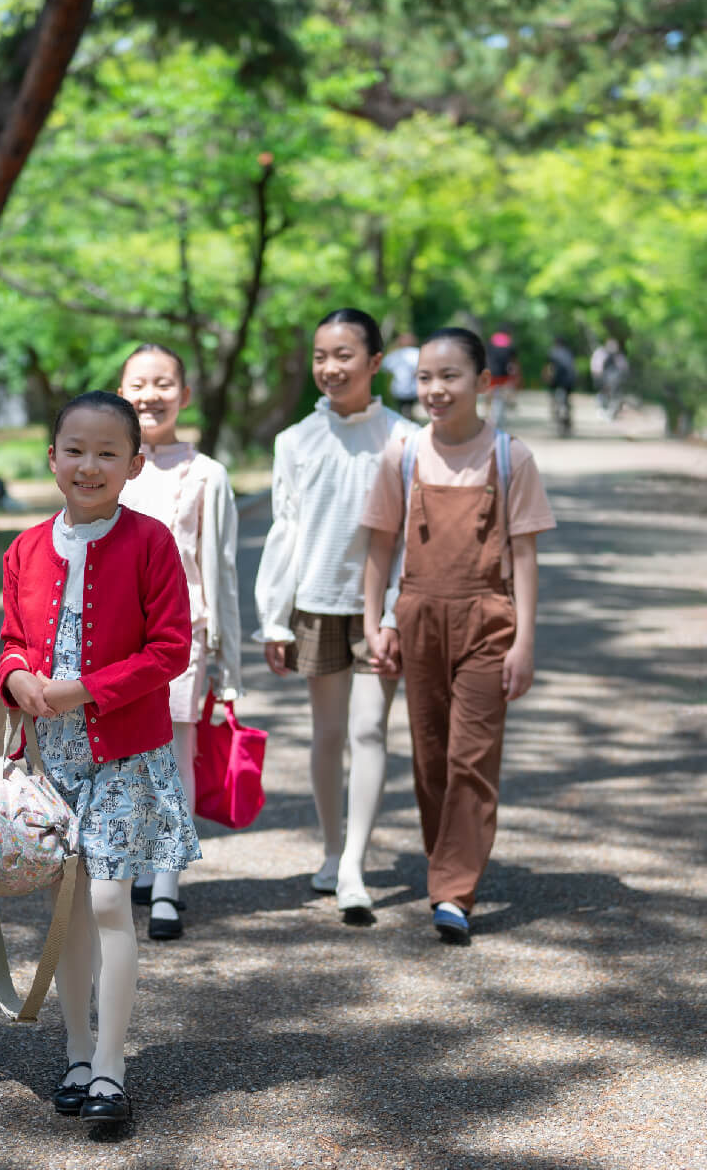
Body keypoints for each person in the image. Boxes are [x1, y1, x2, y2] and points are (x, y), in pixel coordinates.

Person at [0, 391, 198, 1124]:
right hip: (51, 758)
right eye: (74, 450)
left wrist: (86, 689)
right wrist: (17, 674)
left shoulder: (150, 542)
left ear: (135, 465)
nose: (89, 465)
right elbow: (13, 639)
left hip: (126, 754)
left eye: (108, 452)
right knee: (69, 910)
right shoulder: (25, 546)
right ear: (51, 458)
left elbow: (171, 648)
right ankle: (77, 1053)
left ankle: (112, 1069)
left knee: (113, 899)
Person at [360, 327, 554, 945]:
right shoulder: (405, 454)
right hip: (417, 618)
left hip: (487, 620)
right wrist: (375, 622)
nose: (436, 390)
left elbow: (524, 556)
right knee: (430, 755)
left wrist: (524, 640)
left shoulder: (509, 457)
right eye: (424, 378)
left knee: (473, 756)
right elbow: (379, 544)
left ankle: (451, 890)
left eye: (450, 377)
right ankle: (447, 863)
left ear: (483, 383)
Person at [256, 308, 416, 924]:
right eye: (322, 356)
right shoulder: (295, 440)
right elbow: (285, 531)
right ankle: (329, 849)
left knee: (369, 731)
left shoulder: (405, 438)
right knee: (327, 734)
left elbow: (407, 540)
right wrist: (274, 618)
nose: (331, 368)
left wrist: (396, 612)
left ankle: (355, 863)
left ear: (375, 362)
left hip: (379, 611)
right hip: (316, 602)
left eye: (345, 355)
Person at [114, 344, 243, 942]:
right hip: (113, 638)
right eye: (138, 384)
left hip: (180, 636)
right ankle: (137, 862)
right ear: (120, 392)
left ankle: (167, 881)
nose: (150, 395)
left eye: (163, 383)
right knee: (124, 755)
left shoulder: (207, 474)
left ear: (184, 395)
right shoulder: (108, 464)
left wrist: (227, 658)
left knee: (176, 756)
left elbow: (221, 569)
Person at [484, 326, 521, 428]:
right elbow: (514, 362)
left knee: (489, 394)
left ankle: (487, 415)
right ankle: (510, 403)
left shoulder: (490, 342)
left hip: (490, 373)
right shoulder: (510, 343)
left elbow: (485, 357)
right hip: (504, 374)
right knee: (506, 391)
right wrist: (517, 376)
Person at [383, 331, 421, 418]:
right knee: (408, 410)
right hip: (413, 389)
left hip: (399, 389)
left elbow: (385, 367)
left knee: (402, 410)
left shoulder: (394, 354)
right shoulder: (417, 353)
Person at [590, 335, 628, 420]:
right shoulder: (601, 353)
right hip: (604, 379)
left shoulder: (618, 356)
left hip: (613, 380)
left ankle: (610, 411)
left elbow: (623, 368)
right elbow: (596, 366)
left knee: (615, 396)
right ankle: (602, 409)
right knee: (603, 394)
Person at [545, 335, 577, 435]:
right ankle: (567, 420)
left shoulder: (552, 352)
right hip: (569, 380)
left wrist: (547, 378)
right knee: (567, 400)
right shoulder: (569, 352)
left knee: (554, 397)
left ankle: (556, 411)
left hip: (557, 380)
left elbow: (549, 367)